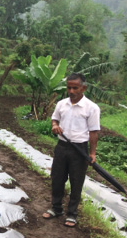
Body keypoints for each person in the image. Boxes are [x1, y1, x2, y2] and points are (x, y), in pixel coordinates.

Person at [42, 72, 100, 227]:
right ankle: (56, 208)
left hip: (79, 149)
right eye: (69, 88)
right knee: (57, 178)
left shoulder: (92, 108)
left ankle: (72, 214)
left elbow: (94, 132)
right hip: (62, 147)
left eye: (75, 88)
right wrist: (55, 125)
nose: (72, 91)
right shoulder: (61, 104)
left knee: (76, 181)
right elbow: (55, 118)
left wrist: (92, 153)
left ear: (84, 88)